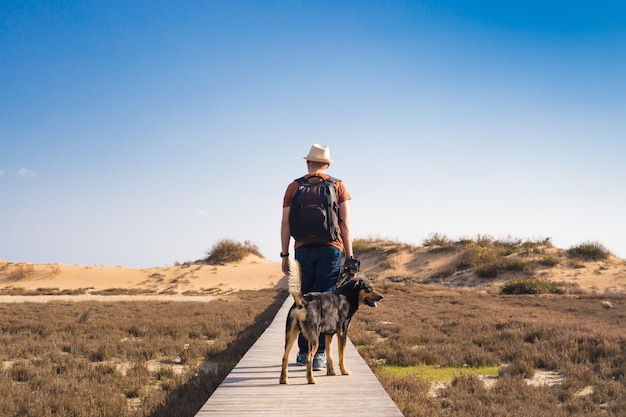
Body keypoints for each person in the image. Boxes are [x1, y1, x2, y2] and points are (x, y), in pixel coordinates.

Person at [280, 144, 354, 370]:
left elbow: (285, 224)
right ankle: (320, 353)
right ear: (328, 164)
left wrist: (285, 255)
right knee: (327, 302)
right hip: (331, 249)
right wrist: (349, 256)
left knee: (303, 300)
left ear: (307, 163)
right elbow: (345, 224)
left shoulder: (294, 186)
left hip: (302, 248)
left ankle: (304, 353)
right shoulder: (338, 185)